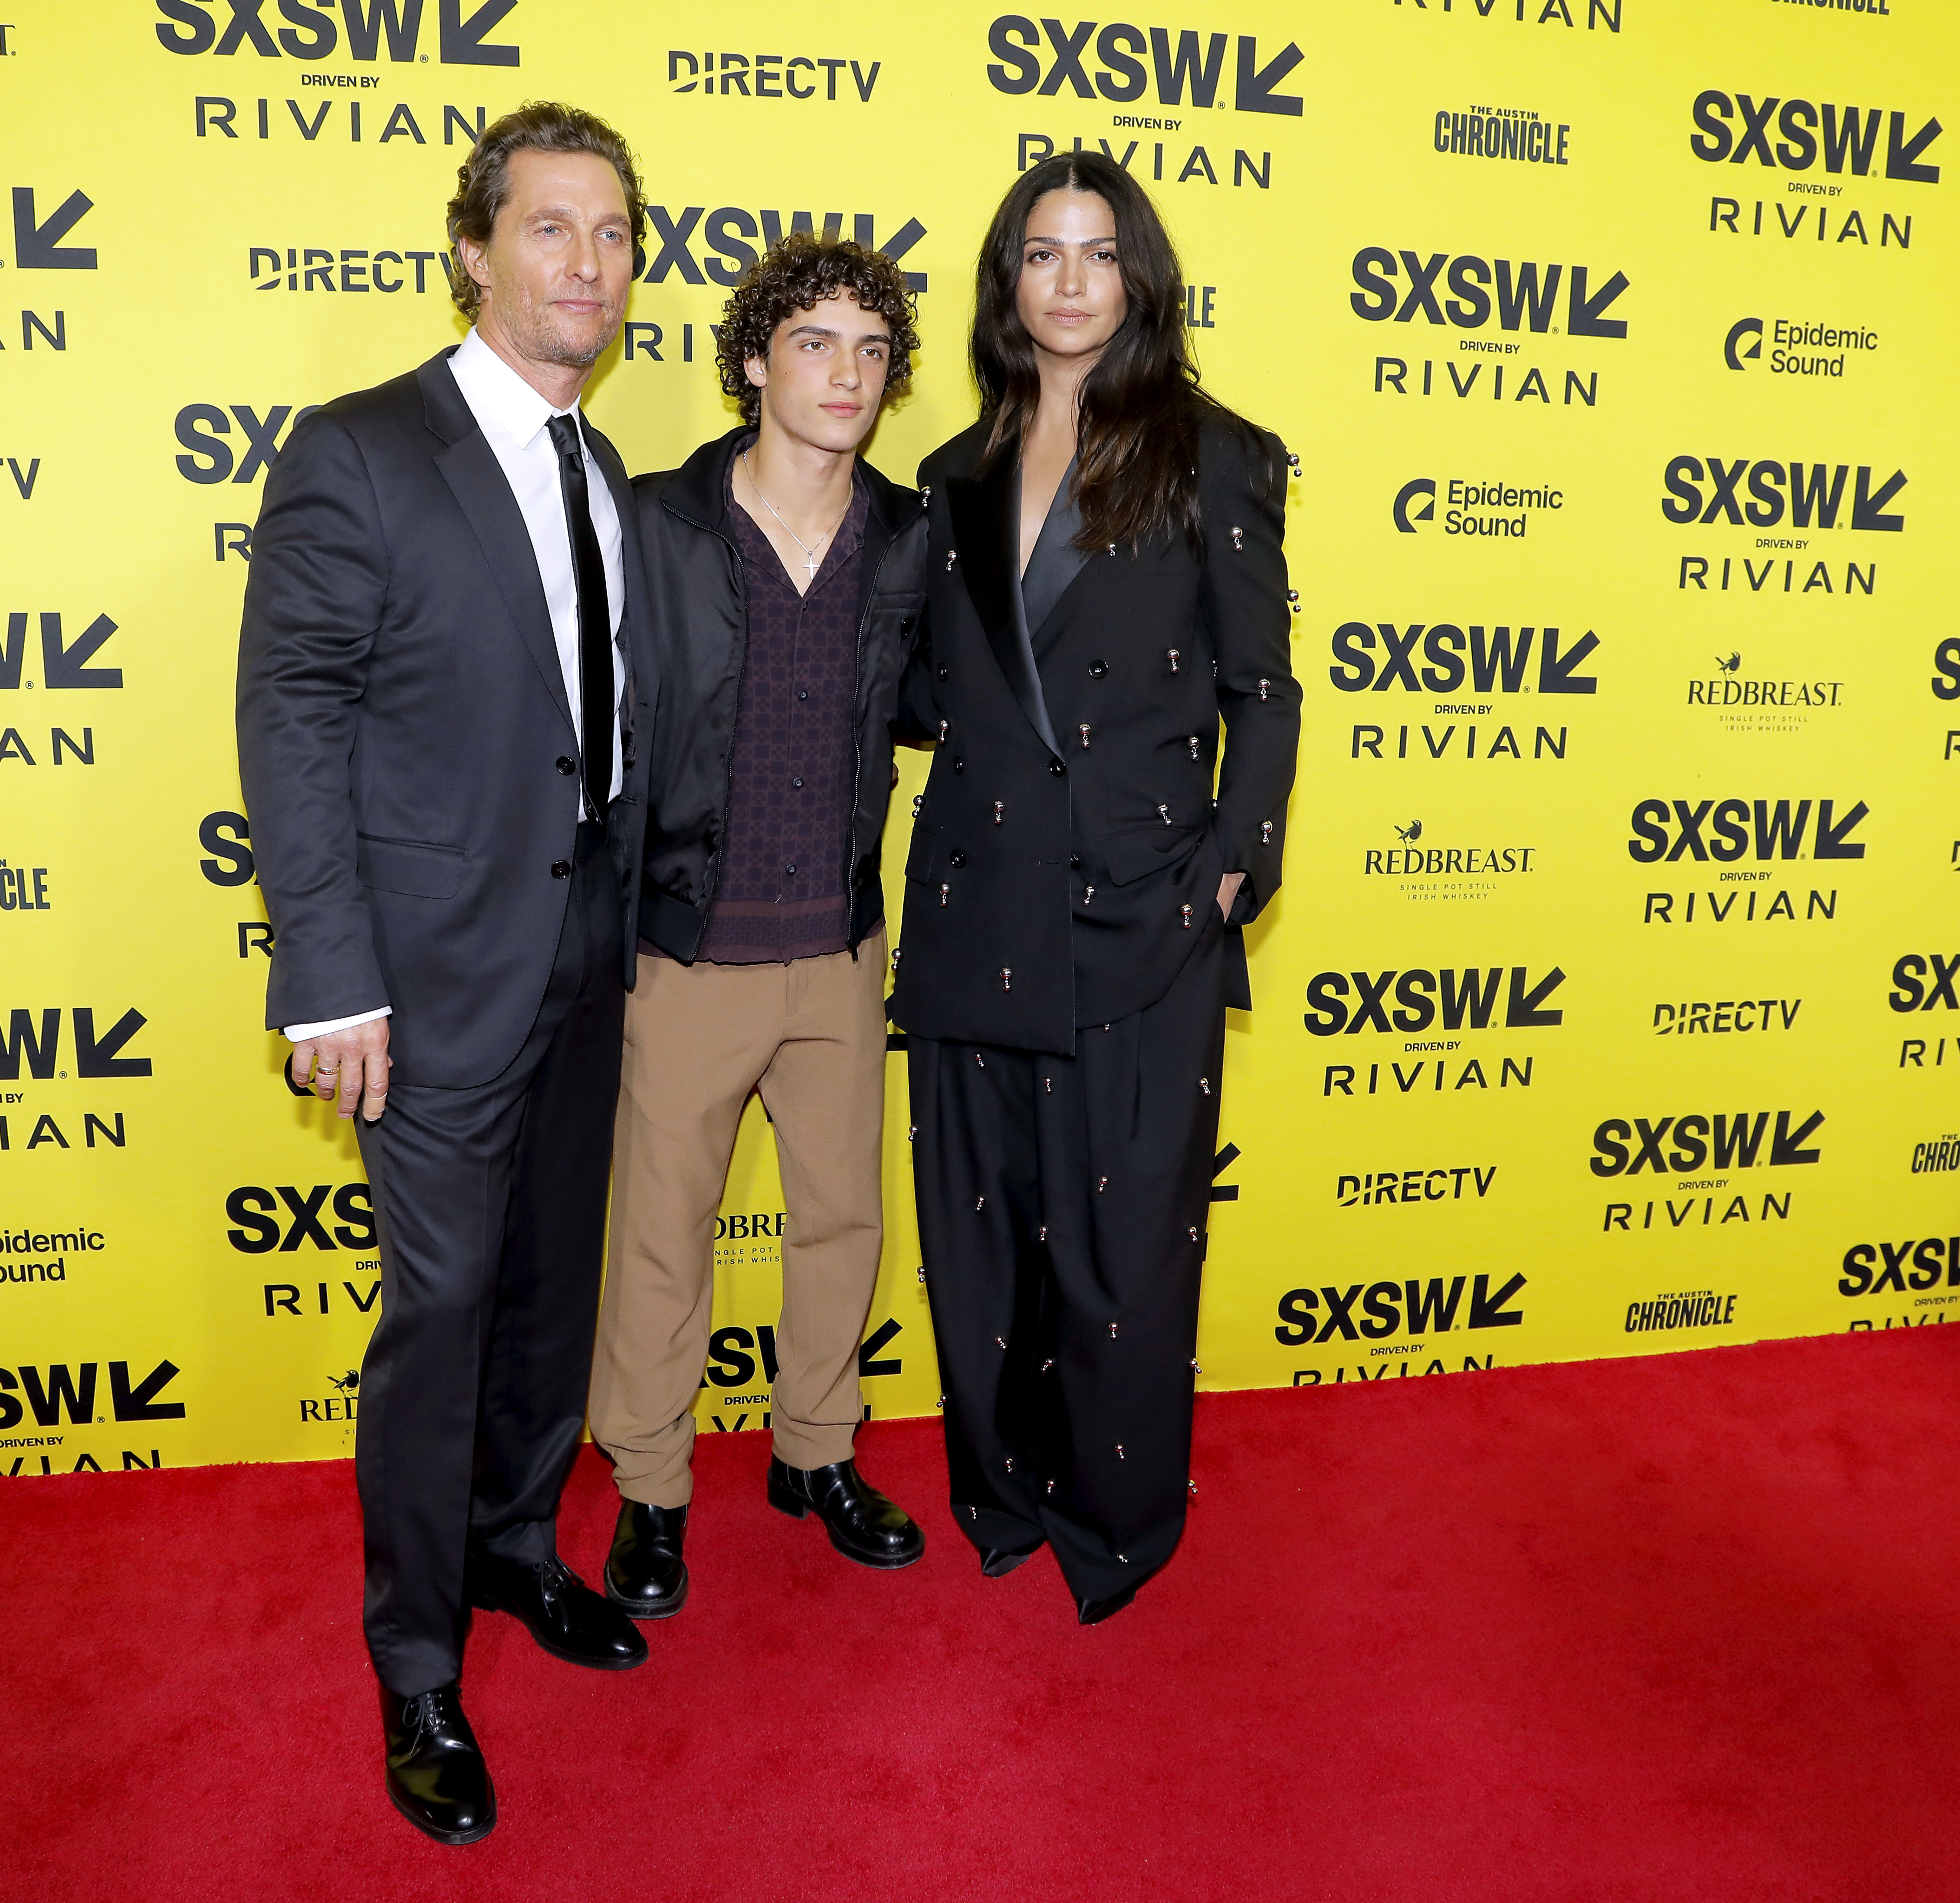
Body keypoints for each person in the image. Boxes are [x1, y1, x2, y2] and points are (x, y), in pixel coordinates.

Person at [235, 102, 658, 1848]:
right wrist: (327, 974)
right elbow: (295, 712)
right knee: (441, 1316)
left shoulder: (608, 465)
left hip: (586, 955)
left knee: (550, 1293)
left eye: (613, 231)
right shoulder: (358, 449)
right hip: (423, 978)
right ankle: (415, 1659)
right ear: (474, 249)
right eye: (548, 226)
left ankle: (510, 1544)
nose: (586, 260)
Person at [890, 152, 1300, 1624]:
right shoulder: (950, 475)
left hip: (1140, 909)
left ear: (1139, 278)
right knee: (982, 1237)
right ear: (1007, 281)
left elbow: (1266, 688)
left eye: (1097, 253)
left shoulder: (1212, 450)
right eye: (1039, 254)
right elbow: (929, 697)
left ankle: (1114, 1518)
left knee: (1123, 1241)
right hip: (973, 904)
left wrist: (1226, 872)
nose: (1067, 282)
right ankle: (999, 1494)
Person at [587, 235, 931, 1618]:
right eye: (812, 344)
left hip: (842, 948)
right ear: (751, 364)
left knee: (841, 1221)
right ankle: (653, 1487)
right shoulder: (660, 522)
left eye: (868, 349)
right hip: (688, 949)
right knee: (663, 1232)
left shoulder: (909, 534)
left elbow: (928, 711)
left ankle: (815, 1451)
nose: (843, 374)